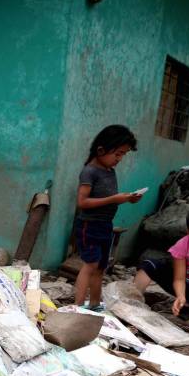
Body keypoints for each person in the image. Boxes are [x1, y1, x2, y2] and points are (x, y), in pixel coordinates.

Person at [72, 125, 142, 311]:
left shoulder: (110, 171)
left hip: (105, 225)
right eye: (117, 154)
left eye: (123, 155)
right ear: (101, 150)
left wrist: (128, 199)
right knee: (90, 264)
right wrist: (114, 198)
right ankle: (77, 306)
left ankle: (95, 303)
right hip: (89, 225)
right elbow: (82, 202)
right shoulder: (89, 171)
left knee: (101, 266)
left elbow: (109, 201)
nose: (119, 159)